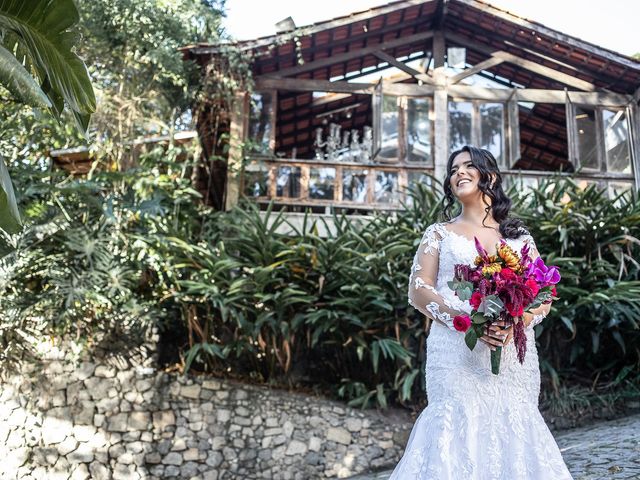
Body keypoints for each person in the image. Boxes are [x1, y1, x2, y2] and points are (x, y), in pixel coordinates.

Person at [389, 146, 573, 479]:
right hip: (455, 355)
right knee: (455, 424)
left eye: (468, 165)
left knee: (515, 423)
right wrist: (471, 320)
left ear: (490, 176)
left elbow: (545, 292)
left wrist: (517, 319)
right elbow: (418, 290)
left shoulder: (519, 239)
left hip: (513, 357)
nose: (458, 172)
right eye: (453, 168)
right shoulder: (439, 234)